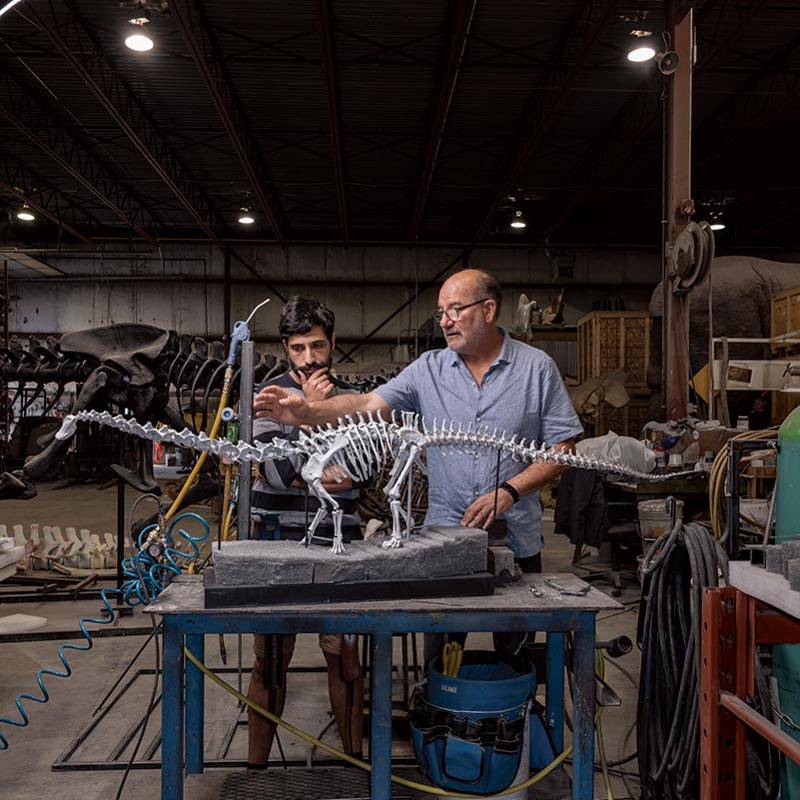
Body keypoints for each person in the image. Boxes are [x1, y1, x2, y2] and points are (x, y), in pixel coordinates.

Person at [246, 296, 365, 767]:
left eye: (317, 346)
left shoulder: (356, 399)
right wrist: (311, 413)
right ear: (286, 348)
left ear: (333, 342)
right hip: (277, 545)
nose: (309, 358)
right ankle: (255, 770)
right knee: (270, 660)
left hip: (340, 546)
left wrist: (300, 464)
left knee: (345, 659)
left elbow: (360, 472)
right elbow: (275, 471)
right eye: (298, 349)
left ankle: (354, 764)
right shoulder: (266, 398)